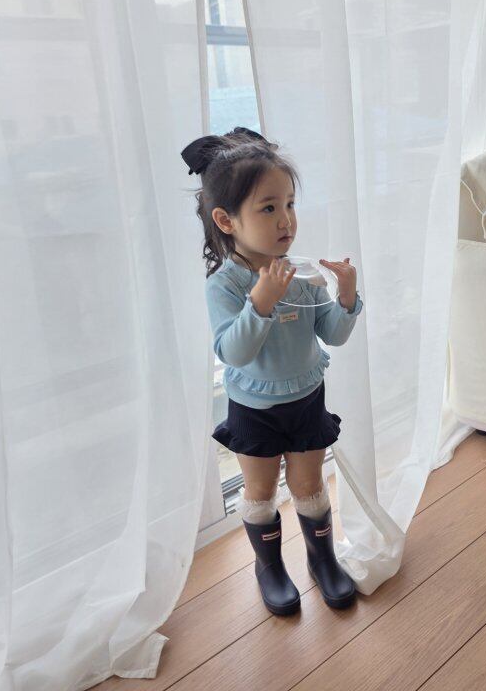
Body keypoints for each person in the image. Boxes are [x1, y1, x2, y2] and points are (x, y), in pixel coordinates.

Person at [181, 128, 363, 615]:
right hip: (255, 409)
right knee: (260, 493)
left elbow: (332, 334)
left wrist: (346, 296)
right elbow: (233, 353)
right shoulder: (225, 285)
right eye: (268, 208)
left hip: (306, 399)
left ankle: (322, 560)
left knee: (309, 486)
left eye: (290, 204)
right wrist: (259, 302)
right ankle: (270, 569)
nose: (286, 220)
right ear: (226, 220)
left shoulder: (300, 272)